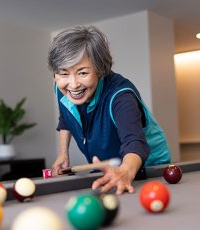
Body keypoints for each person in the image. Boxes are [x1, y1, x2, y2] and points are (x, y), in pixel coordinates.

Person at [48, 25, 170, 195]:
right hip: (111, 165)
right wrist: (63, 153)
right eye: (63, 73)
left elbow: (134, 142)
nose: (73, 84)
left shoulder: (120, 95)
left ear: (99, 69)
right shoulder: (61, 89)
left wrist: (126, 170)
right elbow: (66, 117)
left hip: (147, 165)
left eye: (82, 73)